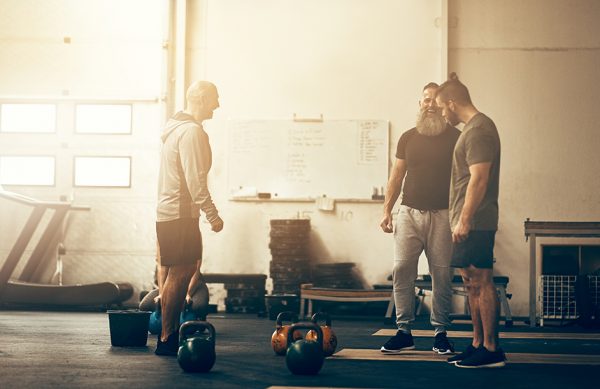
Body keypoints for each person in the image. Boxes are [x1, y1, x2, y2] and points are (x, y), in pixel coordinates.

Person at [380, 82, 460, 355]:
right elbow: (396, 176)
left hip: (444, 216)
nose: (430, 105)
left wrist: (462, 216)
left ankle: (441, 333)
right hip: (409, 214)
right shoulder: (407, 137)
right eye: (426, 100)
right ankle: (404, 332)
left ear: (443, 105)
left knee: (442, 275)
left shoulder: (456, 137)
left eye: (435, 101)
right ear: (420, 104)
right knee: (402, 271)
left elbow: (464, 180)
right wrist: (386, 210)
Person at [435, 73, 504, 368]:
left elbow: (479, 179)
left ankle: (491, 349)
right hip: (466, 222)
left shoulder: (478, 130)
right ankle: (477, 343)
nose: (441, 113)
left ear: (452, 102)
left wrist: (464, 220)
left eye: (441, 107)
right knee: (470, 282)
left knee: (481, 281)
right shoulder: (472, 130)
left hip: (476, 222)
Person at [154, 80, 224, 356]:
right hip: (180, 213)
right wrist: (212, 213)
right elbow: (195, 180)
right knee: (182, 272)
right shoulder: (192, 132)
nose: (217, 105)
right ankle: (167, 337)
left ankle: (167, 336)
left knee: (177, 272)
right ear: (202, 99)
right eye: (214, 99)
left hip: (170, 212)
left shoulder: (176, 129)